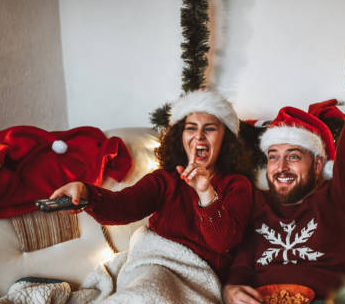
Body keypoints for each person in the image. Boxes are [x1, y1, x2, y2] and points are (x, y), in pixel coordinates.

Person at [222, 31, 345, 304]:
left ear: (318, 165)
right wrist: (231, 292)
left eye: (293, 156)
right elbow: (240, 267)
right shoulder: (253, 203)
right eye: (274, 157)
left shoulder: (338, 197)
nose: (281, 167)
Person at [50, 90, 253, 282]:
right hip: (154, 267)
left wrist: (205, 192)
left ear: (225, 139)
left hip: (200, 280)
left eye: (209, 129)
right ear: (181, 137)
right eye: (191, 128)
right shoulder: (165, 180)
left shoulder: (237, 185)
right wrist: (86, 192)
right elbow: (122, 207)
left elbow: (223, 242)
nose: (199, 136)